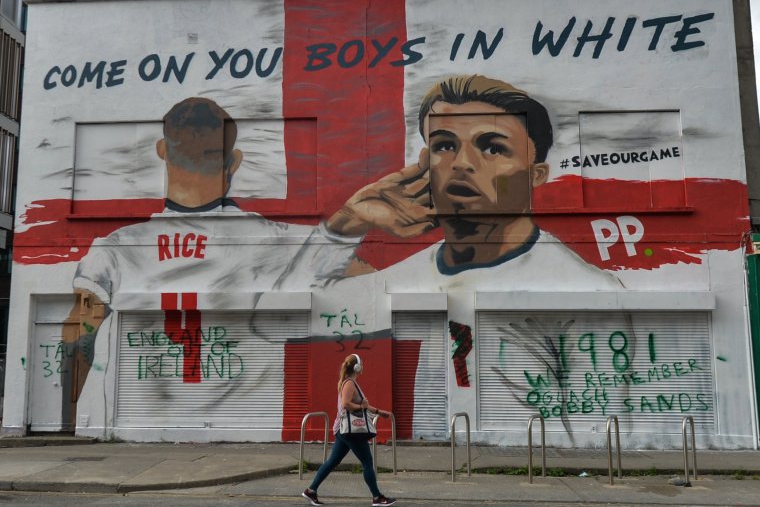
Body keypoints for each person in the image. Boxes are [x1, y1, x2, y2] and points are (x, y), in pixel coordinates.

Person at [60, 97, 362, 423]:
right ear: (234, 161)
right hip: (252, 421)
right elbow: (360, 269)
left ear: (162, 149)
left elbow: (78, 332)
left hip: (145, 419)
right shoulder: (275, 238)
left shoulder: (117, 247)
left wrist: (67, 422)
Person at [327, 74, 621, 283]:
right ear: (426, 162)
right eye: (445, 145)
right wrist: (343, 224)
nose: (462, 163)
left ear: (536, 175)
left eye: (493, 148)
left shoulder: (578, 287)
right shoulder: (404, 280)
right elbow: (304, 313)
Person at [302, 354, 396, 507]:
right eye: (361, 364)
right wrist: (362, 407)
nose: (363, 366)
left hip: (344, 430)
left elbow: (363, 405)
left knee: (333, 461)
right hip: (352, 430)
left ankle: (311, 491)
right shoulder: (350, 384)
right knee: (367, 462)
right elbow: (346, 404)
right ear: (357, 367)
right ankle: (377, 497)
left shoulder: (351, 383)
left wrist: (380, 412)